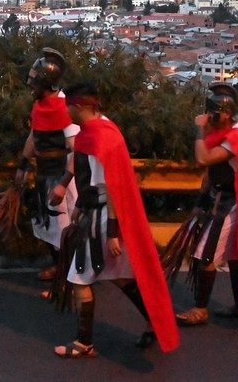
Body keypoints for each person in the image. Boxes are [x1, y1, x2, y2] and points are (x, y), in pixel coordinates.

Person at [51, 81, 178, 358]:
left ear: (81, 106)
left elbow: (109, 188)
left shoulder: (99, 138)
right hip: (94, 214)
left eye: (69, 108)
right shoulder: (99, 130)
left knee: (80, 280)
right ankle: (153, 322)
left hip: (100, 221)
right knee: (120, 277)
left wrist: (111, 233)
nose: (67, 114)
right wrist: (79, 207)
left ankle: (84, 343)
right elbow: (92, 180)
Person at [174, 83, 238, 326]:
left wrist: (199, 130)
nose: (208, 117)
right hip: (219, 199)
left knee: (204, 255)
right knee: (234, 256)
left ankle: (200, 309)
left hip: (232, 204)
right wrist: (200, 202)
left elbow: (204, 159)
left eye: (212, 113)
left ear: (227, 114)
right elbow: (211, 172)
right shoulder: (224, 133)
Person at [14, 48, 79, 283]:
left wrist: (64, 184)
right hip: (44, 171)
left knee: (65, 227)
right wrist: (23, 165)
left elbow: (77, 149)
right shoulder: (40, 105)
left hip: (63, 175)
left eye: (34, 82)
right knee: (50, 226)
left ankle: (70, 277)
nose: (30, 86)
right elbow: (34, 135)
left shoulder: (65, 107)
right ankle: (59, 267)